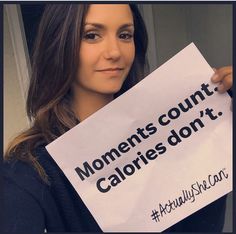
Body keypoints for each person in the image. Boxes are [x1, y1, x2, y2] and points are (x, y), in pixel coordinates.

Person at [2, 4, 233, 233]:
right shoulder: (30, 167)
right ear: (59, 44)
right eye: (92, 35)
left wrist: (222, 112)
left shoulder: (174, 127)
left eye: (125, 35)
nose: (115, 52)